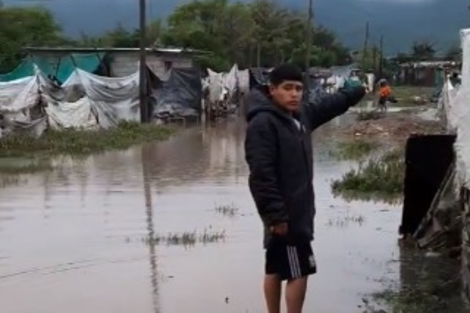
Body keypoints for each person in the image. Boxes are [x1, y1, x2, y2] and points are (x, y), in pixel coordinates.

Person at [244, 63, 365, 313]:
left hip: (293, 211)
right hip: (287, 214)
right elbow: (260, 174)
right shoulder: (263, 123)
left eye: (299, 89)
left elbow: (328, 106)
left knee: (276, 268)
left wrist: (355, 92)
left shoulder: (298, 116)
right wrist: (276, 214)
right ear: (271, 90)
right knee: (300, 270)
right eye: (287, 88)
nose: (294, 94)